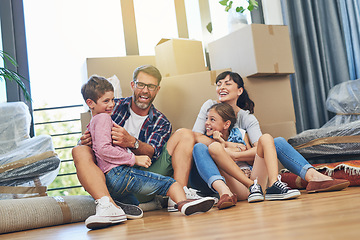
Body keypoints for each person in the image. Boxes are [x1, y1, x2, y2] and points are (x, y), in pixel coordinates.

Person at [72, 65, 202, 229]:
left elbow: (152, 155)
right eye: (141, 85)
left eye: (151, 86)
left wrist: (132, 142)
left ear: (157, 90)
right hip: (114, 175)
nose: (145, 91)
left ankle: (178, 197)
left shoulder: (161, 121)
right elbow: (98, 145)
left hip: (144, 172)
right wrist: (86, 141)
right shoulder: (112, 107)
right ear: (133, 85)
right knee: (79, 149)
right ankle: (108, 203)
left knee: (185, 133)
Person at [191, 71, 350, 199]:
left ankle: (310, 177)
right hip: (230, 177)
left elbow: (260, 149)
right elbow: (196, 137)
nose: (221, 87)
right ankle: (224, 192)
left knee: (276, 141)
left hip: (252, 175)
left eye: (227, 83)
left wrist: (233, 154)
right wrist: (227, 146)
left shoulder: (246, 119)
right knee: (200, 147)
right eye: (218, 84)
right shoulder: (209, 107)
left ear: (240, 90)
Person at [193, 102, 300, 209]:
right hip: (239, 184)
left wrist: (235, 153)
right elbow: (216, 153)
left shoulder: (240, 134)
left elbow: (251, 159)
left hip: (255, 181)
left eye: (212, 119)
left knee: (266, 138)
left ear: (226, 124)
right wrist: (224, 144)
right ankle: (250, 185)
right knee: (214, 147)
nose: (206, 123)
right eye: (206, 119)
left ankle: (274, 184)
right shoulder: (209, 143)